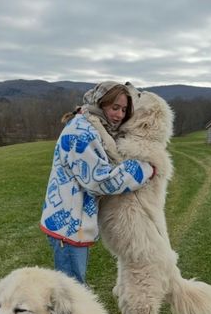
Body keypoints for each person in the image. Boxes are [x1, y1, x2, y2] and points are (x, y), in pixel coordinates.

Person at [40, 81, 155, 283]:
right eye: (114, 107)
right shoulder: (81, 133)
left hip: (73, 220)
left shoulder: (91, 126)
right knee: (71, 291)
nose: (119, 115)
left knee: (72, 287)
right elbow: (100, 180)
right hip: (68, 225)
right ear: (100, 104)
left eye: (124, 109)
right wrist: (145, 169)